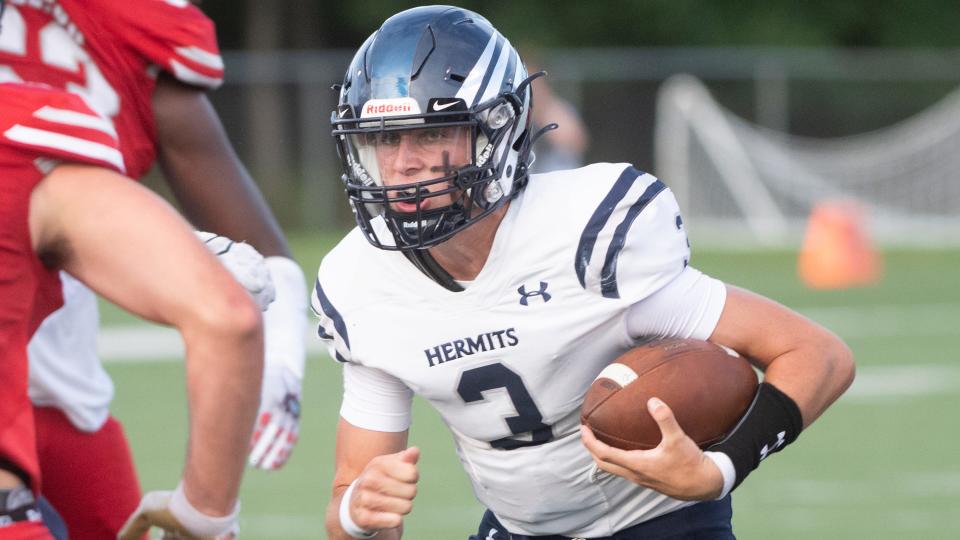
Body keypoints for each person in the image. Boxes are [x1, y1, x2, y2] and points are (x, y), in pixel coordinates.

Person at [315, 6, 855, 540]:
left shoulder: (586, 240)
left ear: (496, 131)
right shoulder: (358, 283)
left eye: (430, 135)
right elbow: (352, 499)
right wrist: (357, 516)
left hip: (658, 522)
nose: (403, 162)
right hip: (516, 529)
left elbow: (817, 355)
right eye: (384, 138)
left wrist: (720, 470)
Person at [0, 0, 307, 536]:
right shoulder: (43, 129)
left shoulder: (117, 37)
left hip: (64, 396)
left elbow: (260, 256)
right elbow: (229, 315)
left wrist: (281, 359)